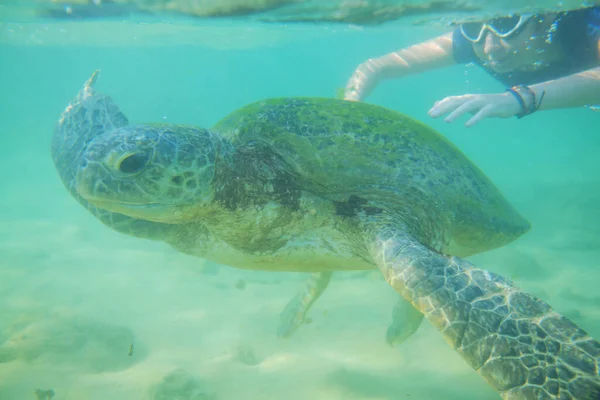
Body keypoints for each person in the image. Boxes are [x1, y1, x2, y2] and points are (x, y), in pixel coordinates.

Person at [344, 7, 600, 127]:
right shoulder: (474, 43)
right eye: (473, 27)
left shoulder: (586, 26)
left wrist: (519, 99)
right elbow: (376, 67)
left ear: (546, 16)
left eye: (505, 24)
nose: (490, 47)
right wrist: (350, 103)